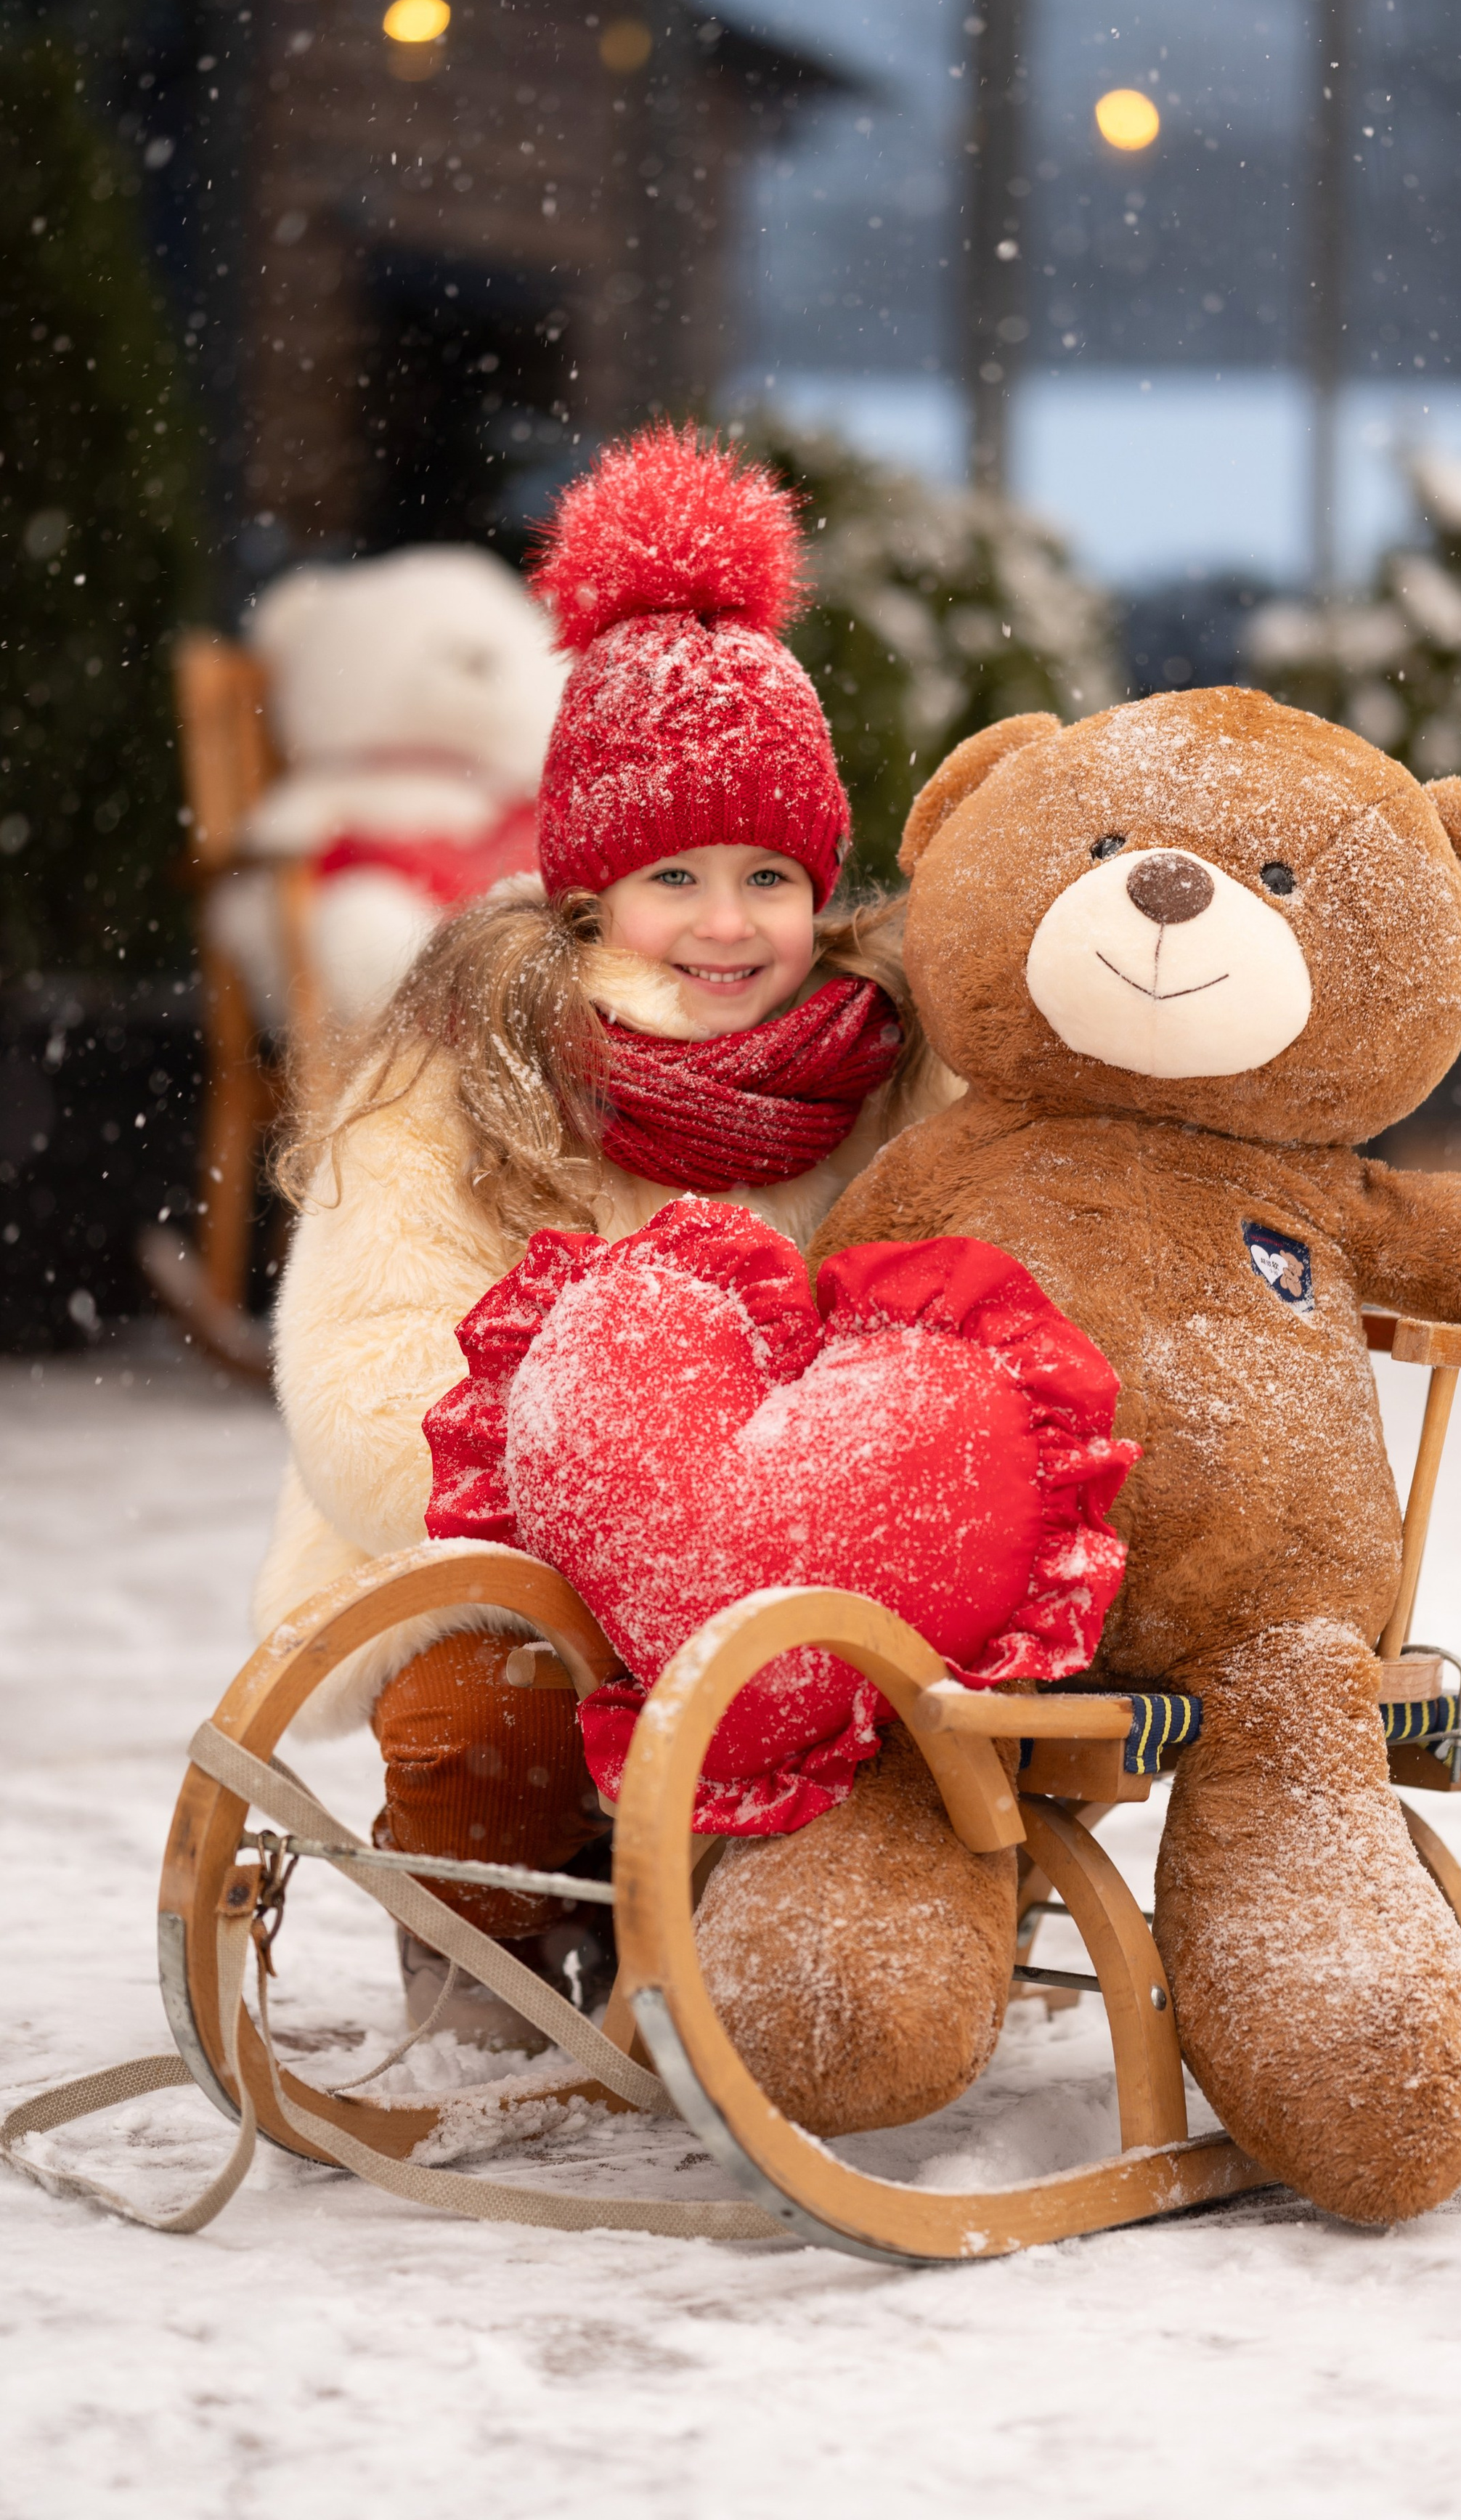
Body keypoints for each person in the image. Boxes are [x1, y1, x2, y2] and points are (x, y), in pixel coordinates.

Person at [257, 425, 952, 2041]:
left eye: (770, 874)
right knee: (484, 1713)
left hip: (788, 1553)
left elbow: (959, 1270)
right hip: (504, 1542)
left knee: (839, 1723)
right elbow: (367, 1350)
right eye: (675, 876)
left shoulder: (880, 1062)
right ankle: (484, 1952)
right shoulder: (463, 1060)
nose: (728, 924)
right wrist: (600, 1493)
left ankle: (751, 1955)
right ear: (582, 891)